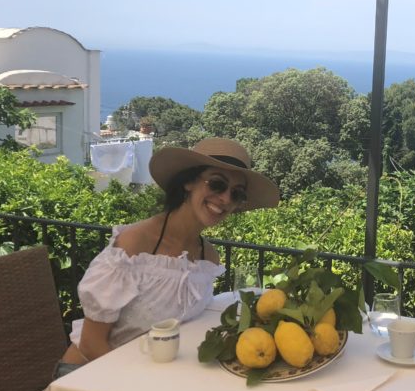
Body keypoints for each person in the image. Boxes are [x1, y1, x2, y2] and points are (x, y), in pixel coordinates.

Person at [59, 138, 279, 367]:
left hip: (155, 372)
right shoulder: (135, 245)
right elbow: (90, 344)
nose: (225, 198)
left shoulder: (207, 257)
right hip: (87, 375)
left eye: (237, 194)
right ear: (189, 183)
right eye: (216, 184)